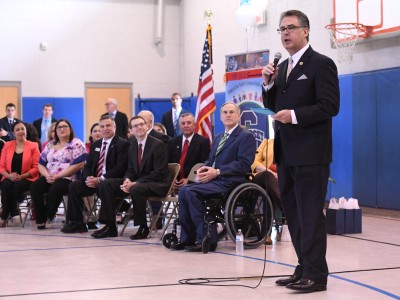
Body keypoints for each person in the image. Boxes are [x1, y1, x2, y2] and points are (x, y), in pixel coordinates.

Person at [261, 10, 340, 293]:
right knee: (293, 215)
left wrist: (293, 116)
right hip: (286, 153)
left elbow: (330, 106)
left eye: (290, 28)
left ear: (305, 31)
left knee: (309, 215)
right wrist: (267, 83)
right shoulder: (282, 68)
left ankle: (317, 275)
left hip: (311, 154)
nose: (284, 33)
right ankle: (303, 267)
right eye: (281, 29)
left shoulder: (322, 64)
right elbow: (273, 103)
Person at [171, 102, 256, 252]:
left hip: (232, 181)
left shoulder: (246, 136)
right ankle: (187, 238)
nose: (228, 115)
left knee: (190, 192)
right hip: (215, 179)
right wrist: (205, 168)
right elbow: (211, 160)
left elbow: (244, 164)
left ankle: (207, 238)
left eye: (231, 112)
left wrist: (217, 171)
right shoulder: (218, 137)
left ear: (238, 115)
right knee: (184, 190)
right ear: (221, 116)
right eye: (225, 113)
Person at [91, 116, 171, 239]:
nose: (139, 127)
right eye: (135, 126)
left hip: (158, 183)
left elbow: (158, 172)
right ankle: (110, 226)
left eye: (141, 124)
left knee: (135, 189)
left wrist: (136, 183)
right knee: (106, 184)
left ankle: (143, 227)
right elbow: (131, 169)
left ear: (147, 126)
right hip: (138, 183)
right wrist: (127, 179)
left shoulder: (157, 145)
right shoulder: (132, 144)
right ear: (131, 130)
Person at [61, 116, 130, 234]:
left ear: (114, 127)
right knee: (74, 186)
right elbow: (88, 166)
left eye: (108, 126)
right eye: (102, 126)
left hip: (113, 181)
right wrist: (88, 178)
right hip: (96, 180)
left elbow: (120, 168)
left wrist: (100, 179)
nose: (105, 129)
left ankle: (110, 226)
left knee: (105, 184)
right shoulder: (95, 145)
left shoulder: (122, 144)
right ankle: (76, 223)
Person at [30, 119, 87, 230]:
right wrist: (47, 175)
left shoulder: (76, 143)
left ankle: (48, 215)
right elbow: (40, 164)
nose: (62, 129)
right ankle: (40, 219)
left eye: (65, 126)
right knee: (35, 186)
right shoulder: (50, 145)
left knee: (55, 189)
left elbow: (79, 165)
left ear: (70, 129)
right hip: (50, 176)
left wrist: (58, 176)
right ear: (55, 131)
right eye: (59, 127)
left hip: (69, 177)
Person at [0, 121, 40, 227]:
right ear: (13, 133)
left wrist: (22, 176)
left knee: (18, 185)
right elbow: (1, 166)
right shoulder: (7, 145)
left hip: (28, 177)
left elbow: (37, 167)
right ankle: (13, 212)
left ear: (26, 131)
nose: (20, 131)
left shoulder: (33, 146)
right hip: (9, 176)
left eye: (22, 129)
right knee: (6, 184)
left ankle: (5, 215)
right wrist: (9, 176)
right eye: (17, 130)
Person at [167, 112, 210, 190]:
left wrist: (189, 180)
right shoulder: (172, 142)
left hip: (194, 183)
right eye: (183, 123)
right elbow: (168, 164)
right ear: (179, 126)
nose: (186, 126)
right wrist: (171, 180)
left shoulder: (203, 142)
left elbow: (203, 165)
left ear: (194, 125)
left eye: (189, 123)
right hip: (173, 183)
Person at [251, 138, 282, 244]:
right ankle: (285, 207)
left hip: (283, 179)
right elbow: (254, 161)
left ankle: (265, 233)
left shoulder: (295, 142)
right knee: (269, 178)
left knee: (271, 192)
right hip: (263, 175)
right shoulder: (267, 142)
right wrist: (271, 173)